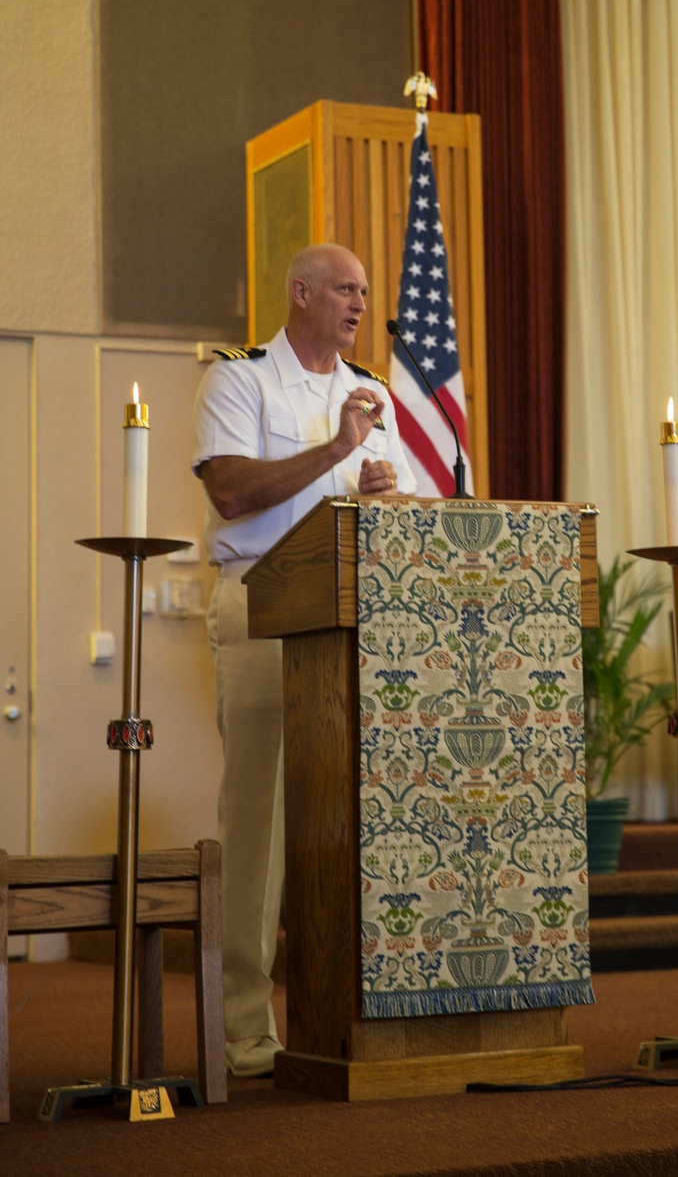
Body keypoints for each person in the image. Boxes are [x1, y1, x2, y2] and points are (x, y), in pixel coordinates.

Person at [193, 243, 416, 1077]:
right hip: (260, 609)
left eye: (365, 291)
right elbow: (231, 493)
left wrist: (382, 496)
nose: (360, 304)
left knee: (345, 823)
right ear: (300, 292)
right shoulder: (238, 378)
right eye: (345, 289)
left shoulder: (376, 394)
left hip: (348, 620)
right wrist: (334, 452)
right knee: (257, 824)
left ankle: (341, 1015)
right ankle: (246, 1033)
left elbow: (370, 499)